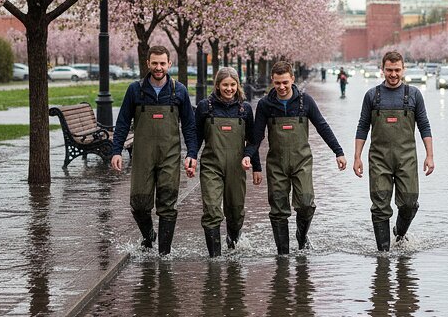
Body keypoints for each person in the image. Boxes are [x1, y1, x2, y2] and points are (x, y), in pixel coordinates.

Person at [245, 60, 347, 255]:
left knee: (306, 203)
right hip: (276, 164)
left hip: (302, 162)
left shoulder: (305, 101)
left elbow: (322, 126)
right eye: (277, 83)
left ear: (292, 79)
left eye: (285, 82)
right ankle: (283, 253)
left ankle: (301, 236)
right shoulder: (266, 105)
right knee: (278, 209)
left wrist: (338, 151)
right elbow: (256, 137)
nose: (282, 87)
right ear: (272, 82)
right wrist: (249, 156)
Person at [111, 45, 198, 255]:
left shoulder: (179, 91)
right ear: (148, 64)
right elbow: (123, 122)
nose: (158, 67)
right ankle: (149, 236)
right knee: (139, 203)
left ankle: (164, 253)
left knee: (167, 203)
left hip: (169, 156)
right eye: (155, 63)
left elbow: (189, 126)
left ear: (169, 64)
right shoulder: (135, 90)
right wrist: (116, 151)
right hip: (142, 156)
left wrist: (192, 154)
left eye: (162, 63)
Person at [353, 51, 434, 251]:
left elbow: (424, 125)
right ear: (383, 70)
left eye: (397, 70)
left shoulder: (414, 94)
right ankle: (383, 253)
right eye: (389, 70)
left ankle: (400, 231)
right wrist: (357, 157)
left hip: (407, 159)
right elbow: (363, 126)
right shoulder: (372, 95)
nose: (393, 74)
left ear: (403, 69)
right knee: (380, 206)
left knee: (409, 202)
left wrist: (429, 155)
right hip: (379, 159)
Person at [195, 66, 263, 257]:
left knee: (235, 212)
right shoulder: (205, 107)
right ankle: (215, 258)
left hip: (236, 167)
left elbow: (252, 140)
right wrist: (191, 156)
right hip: (211, 166)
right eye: (225, 85)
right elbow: (196, 137)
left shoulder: (245, 109)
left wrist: (256, 167)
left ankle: (233, 243)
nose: (229, 89)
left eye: (232, 85)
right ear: (217, 85)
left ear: (237, 86)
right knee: (212, 211)